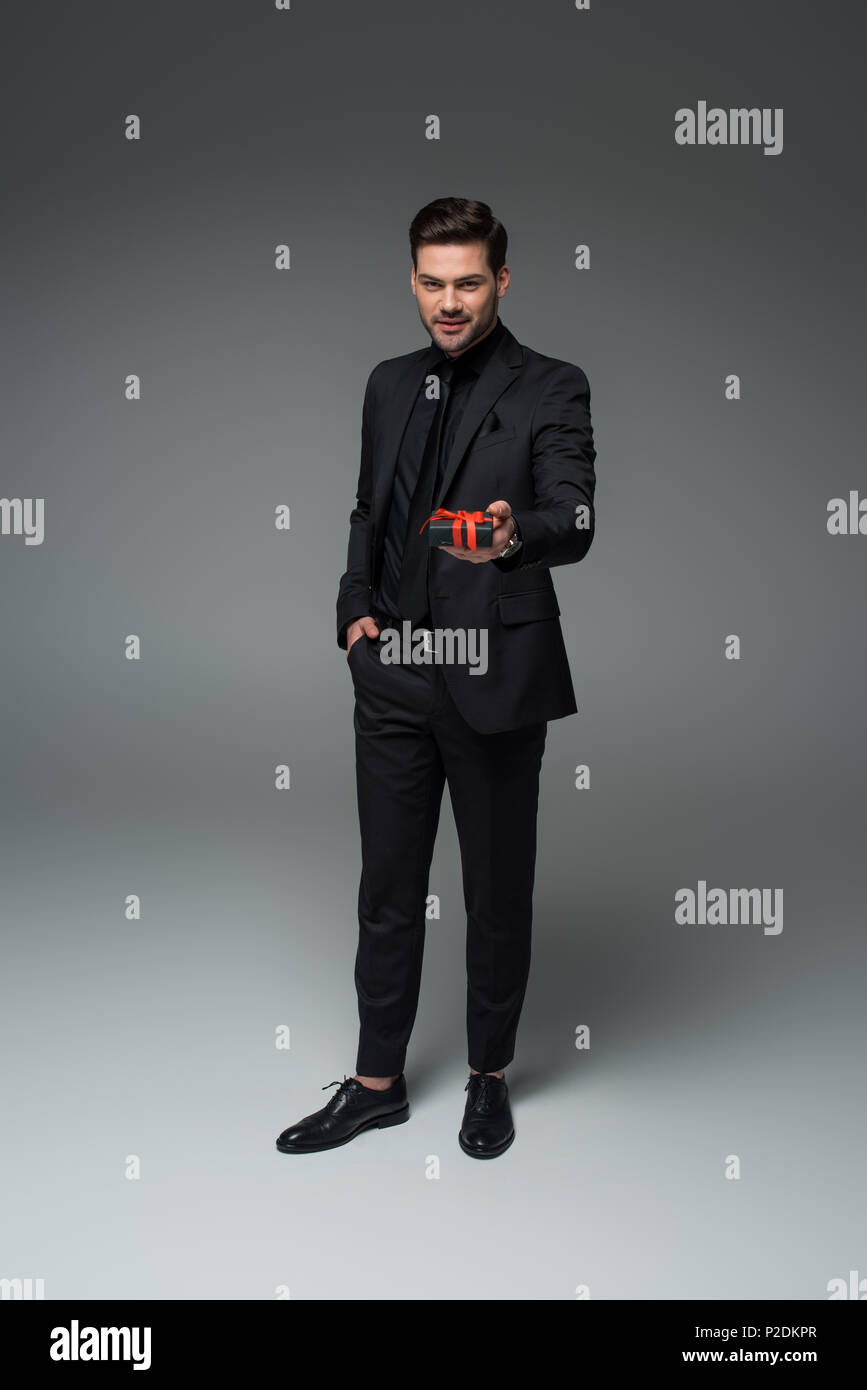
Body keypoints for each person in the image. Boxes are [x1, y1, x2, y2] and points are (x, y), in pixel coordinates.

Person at [276, 196, 596, 1159]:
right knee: (387, 885)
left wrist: (515, 535)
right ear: (411, 280)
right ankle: (375, 1084)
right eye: (431, 283)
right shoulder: (386, 382)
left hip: (494, 669)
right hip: (395, 672)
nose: (447, 303)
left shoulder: (551, 385)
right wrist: (352, 608)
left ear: (502, 279)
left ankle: (487, 1077)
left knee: (496, 891)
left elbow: (575, 516)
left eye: (467, 283)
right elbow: (369, 506)